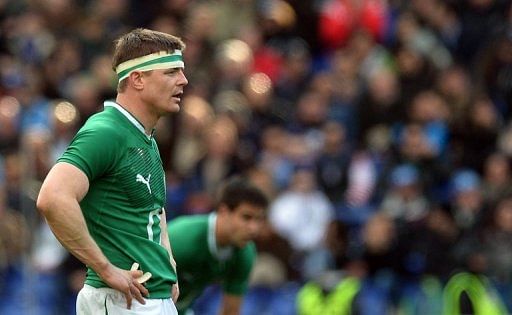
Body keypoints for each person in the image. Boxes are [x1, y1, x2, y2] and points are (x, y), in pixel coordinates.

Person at [36, 28, 188, 315]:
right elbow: (53, 197)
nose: (183, 80)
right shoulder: (106, 132)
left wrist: (167, 261)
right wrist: (105, 269)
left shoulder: (144, 135)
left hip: (146, 298)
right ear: (138, 79)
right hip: (122, 301)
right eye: (170, 72)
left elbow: (153, 207)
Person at [168, 177, 269, 315]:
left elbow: (230, 311)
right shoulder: (183, 237)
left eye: (259, 220)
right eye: (246, 217)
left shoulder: (245, 253)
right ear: (223, 211)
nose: (254, 228)